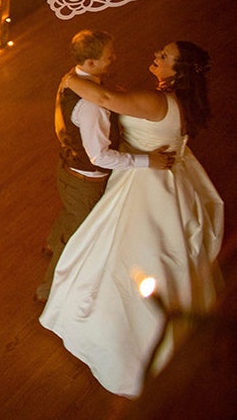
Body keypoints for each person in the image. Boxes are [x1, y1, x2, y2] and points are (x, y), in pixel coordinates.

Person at [40, 41, 224, 398]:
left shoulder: (156, 102)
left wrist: (72, 78)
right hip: (172, 176)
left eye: (165, 57)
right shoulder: (177, 100)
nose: (155, 55)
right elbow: (121, 99)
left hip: (144, 179)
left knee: (123, 248)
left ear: (179, 71)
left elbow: (106, 102)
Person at [36, 30, 174, 303]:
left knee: (70, 211)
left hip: (68, 171)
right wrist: (149, 161)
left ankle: (51, 243)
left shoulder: (73, 79)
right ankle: (48, 290)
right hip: (86, 180)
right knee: (76, 236)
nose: (114, 59)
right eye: (108, 57)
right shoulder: (91, 107)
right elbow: (100, 157)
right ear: (90, 63)